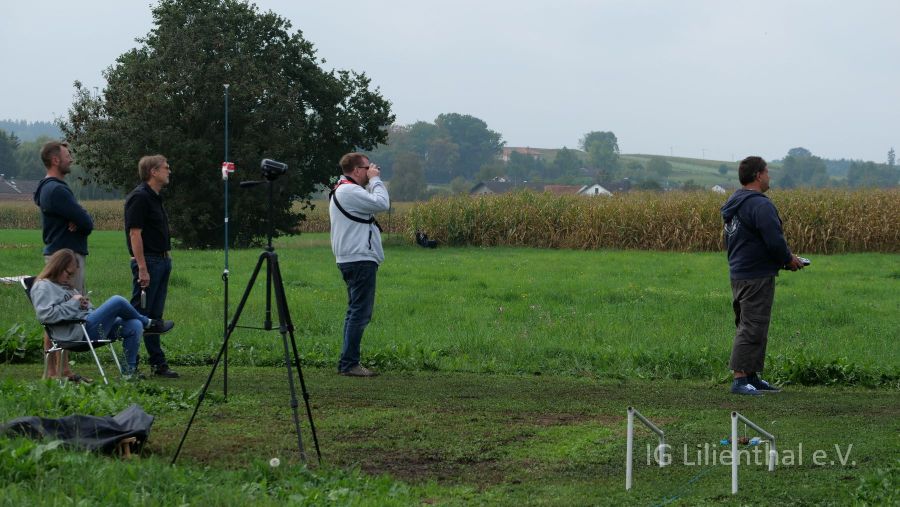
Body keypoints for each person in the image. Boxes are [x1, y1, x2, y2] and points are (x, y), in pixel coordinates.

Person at [721, 156, 804, 395]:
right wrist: (788, 259)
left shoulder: (735, 202)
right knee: (751, 326)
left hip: (739, 272)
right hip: (756, 275)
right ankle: (740, 379)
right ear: (758, 175)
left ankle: (752, 376)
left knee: (752, 324)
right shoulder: (760, 204)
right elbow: (774, 240)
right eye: (767, 172)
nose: (769, 176)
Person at [29, 249, 174, 378]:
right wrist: (74, 303)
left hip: (87, 326)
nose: (70, 277)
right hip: (76, 334)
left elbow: (76, 307)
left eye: (72, 274)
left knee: (134, 325)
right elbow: (45, 316)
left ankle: (128, 373)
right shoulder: (43, 286)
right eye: (69, 273)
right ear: (57, 267)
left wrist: (85, 305)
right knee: (117, 301)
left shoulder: (64, 285)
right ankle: (148, 323)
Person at [33, 140, 94, 382]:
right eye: (68, 155)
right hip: (65, 258)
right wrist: (80, 219)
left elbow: (80, 219)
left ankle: (61, 370)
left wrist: (77, 219)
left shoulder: (48, 188)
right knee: (64, 311)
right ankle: (54, 372)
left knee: (66, 311)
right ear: (55, 160)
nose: (71, 159)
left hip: (62, 255)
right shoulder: (56, 190)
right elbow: (87, 222)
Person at [329, 152, 390, 377]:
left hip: (352, 258)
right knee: (360, 313)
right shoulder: (350, 191)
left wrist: (371, 179)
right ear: (356, 170)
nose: (371, 170)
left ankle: (347, 362)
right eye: (367, 168)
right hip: (359, 259)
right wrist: (376, 180)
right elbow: (382, 203)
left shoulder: (343, 189)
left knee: (354, 311)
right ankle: (350, 364)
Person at [124, 154, 179, 378]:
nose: (169, 171)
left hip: (162, 260)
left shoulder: (155, 197)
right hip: (149, 261)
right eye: (166, 167)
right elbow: (135, 234)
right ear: (153, 172)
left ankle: (158, 363)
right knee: (139, 314)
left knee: (155, 317)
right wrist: (142, 267)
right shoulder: (139, 197)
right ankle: (130, 365)